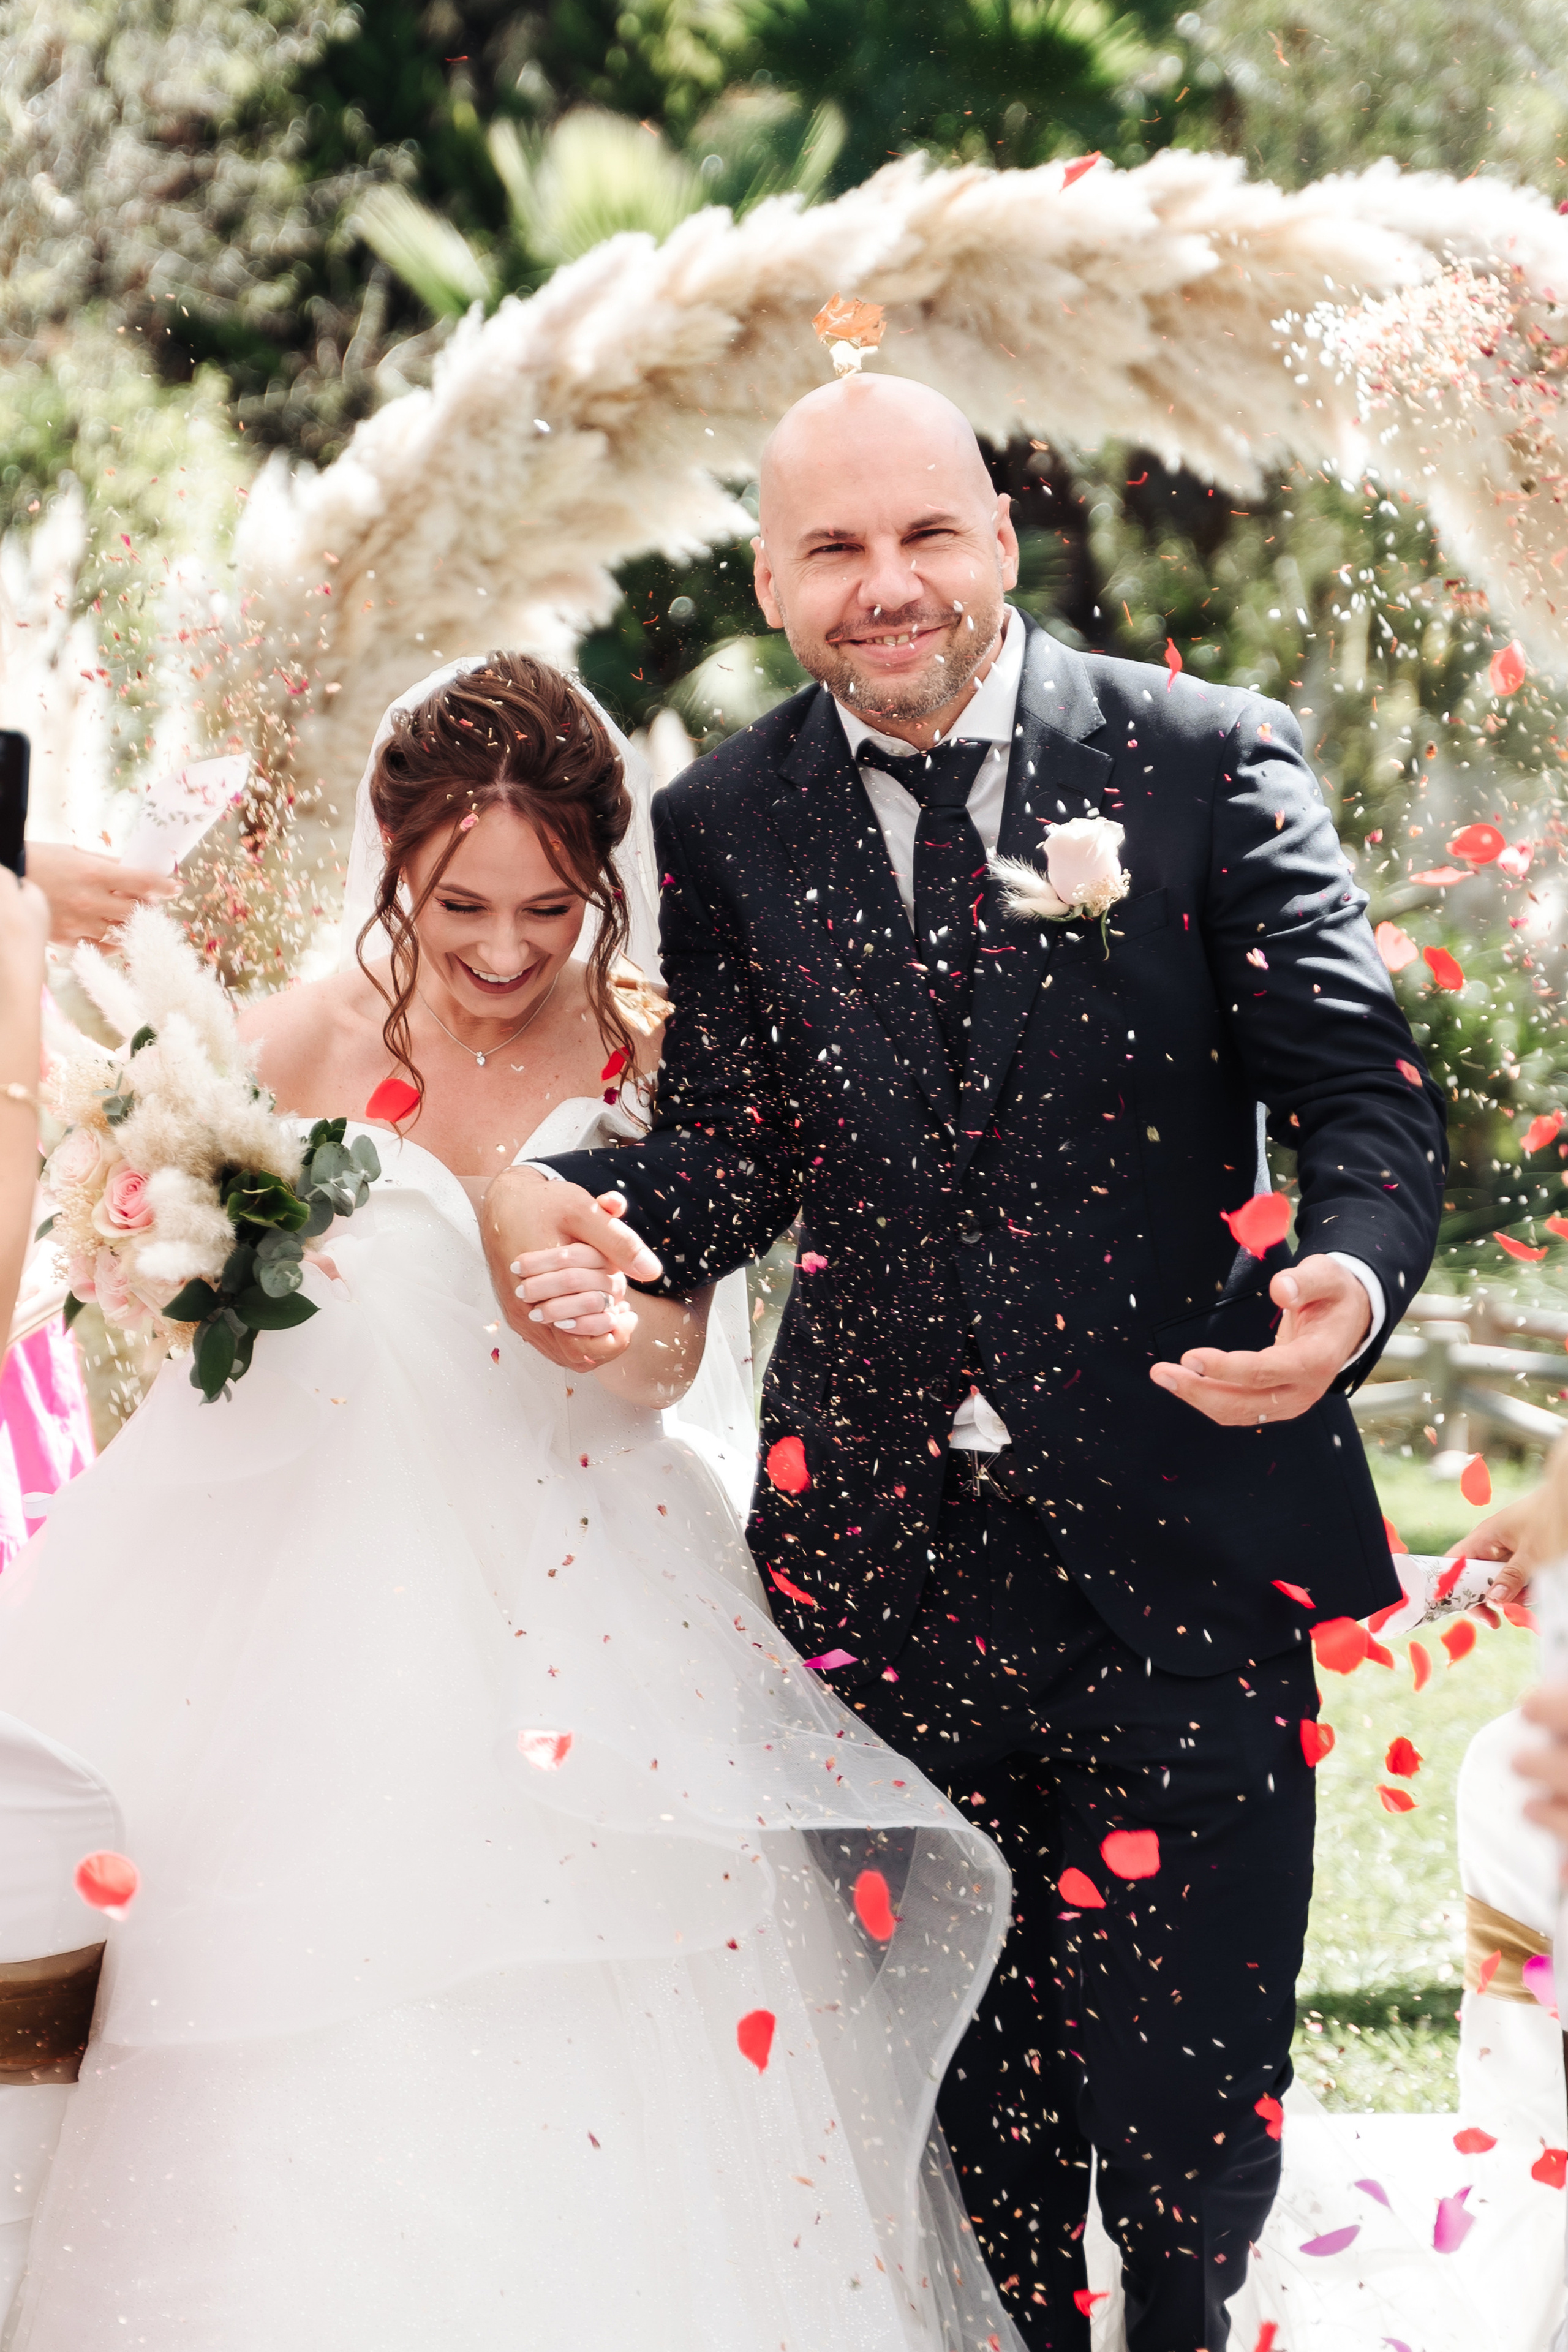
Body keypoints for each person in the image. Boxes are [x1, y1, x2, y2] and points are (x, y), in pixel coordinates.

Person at [484, 373, 1449, 2351]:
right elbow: (734, 1142)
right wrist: (604, 1223)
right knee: (968, 2149)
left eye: (924, 534)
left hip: (1176, 1552)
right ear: (770, 580)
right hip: (884, 1589)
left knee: (1189, 2153)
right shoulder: (725, 824)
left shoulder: (1204, 759)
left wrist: (1345, 1284)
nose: (887, 584)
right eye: (833, 548)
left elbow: (1362, 1101)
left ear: (1001, 536)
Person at [0, 652, 1023, 2352]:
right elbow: (176, 1237)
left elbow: (672, 1349)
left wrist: (612, 1329)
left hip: (582, 1598)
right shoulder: (318, 1025)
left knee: (618, 1986)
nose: (495, 949)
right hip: (320, 1612)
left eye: (547, 909)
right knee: (284, 1973)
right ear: (390, 865)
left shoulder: (652, 1048)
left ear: (602, 886)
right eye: (455, 902)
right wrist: (153, 1240)